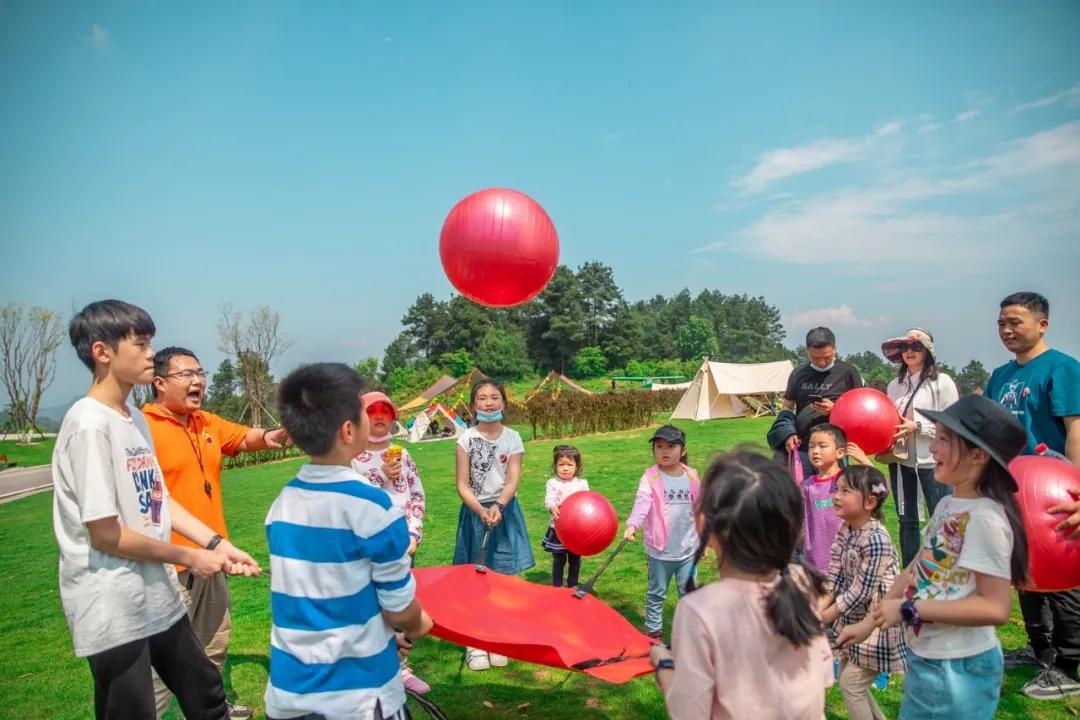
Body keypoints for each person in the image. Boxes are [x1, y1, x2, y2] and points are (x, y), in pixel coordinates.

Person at [53, 300, 260, 720]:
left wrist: (218, 544)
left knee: (206, 693)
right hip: (113, 603)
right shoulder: (89, 424)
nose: (152, 354)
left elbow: (159, 498)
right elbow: (105, 534)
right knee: (133, 710)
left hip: (155, 593)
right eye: (141, 343)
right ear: (102, 352)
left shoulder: (134, 418)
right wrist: (190, 556)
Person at [840, 395, 1030, 719]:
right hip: (929, 657)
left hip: (957, 667)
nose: (932, 449)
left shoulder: (985, 519)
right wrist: (867, 625)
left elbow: (995, 608)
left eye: (943, 440)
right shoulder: (947, 507)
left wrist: (907, 609)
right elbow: (916, 568)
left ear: (978, 455)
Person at [264, 363, 432, 720]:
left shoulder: (281, 505)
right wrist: (417, 625)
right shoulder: (373, 507)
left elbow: (328, 594)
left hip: (290, 693)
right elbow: (400, 608)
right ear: (348, 430)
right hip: (359, 696)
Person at [144, 346, 289, 719]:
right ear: (159, 383)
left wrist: (282, 432)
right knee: (159, 664)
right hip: (168, 565)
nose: (198, 381)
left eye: (200, 372)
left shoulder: (205, 422)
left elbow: (246, 437)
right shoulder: (141, 428)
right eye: (186, 374)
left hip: (215, 556)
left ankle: (211, 708)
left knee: (213, 642)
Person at [647, 451, 833, 719]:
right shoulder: (803, 582)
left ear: (703, 524)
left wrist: (663, 662)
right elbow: (823, 675)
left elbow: (688, 712)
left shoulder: (699, 610)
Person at [985, 291, 1080, 699]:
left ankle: (1068, 665)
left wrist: (1077, 487)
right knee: (1024, 571)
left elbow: (1075, 430)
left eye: (1016, 322)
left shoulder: (1062, 368)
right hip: (1013, 488)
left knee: (1063, 579)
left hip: (1054, 490)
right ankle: (1039, 649)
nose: (1007, 329)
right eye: (1002, 322)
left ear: (1042, 324)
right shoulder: (1000, 376)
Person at [453, 378, 534, 671]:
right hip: (475, 513)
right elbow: (461, 485)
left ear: (503, 402)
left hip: (505, 511)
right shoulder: (465, 439)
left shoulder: (513, 437)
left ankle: (497, 638)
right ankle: (474, 642)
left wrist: (499, 506)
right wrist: (480, 509)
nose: (489, 403)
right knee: (476, 579)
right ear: (474, 405)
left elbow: (512, 479)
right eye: (482, 398)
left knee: (502, 578)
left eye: (494, 397)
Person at [351, 391, 429, 694]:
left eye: (385, 411)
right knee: (370, 609)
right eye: (372, 412)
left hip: (403, 545)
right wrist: (380, 476)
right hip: (369, 548)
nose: (379, 417)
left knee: (399, 607)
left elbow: (417, 496)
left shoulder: (403, 454)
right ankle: (372, 669)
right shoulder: (352, 459)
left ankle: (400, 670)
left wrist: (414, 535)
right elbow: (352, 500)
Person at [820, 466, 905, 720]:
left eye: (845, 490)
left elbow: (861, 591)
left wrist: (826, 615)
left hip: (878, 622)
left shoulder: (877, 539)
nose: (836, 496)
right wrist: (818, 605)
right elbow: (833, 574)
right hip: (854, 619)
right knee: (850, 676)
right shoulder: (845, 529)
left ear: (870, 502)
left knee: (851, 684)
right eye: (837, 489)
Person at [879, 328, 960, 566]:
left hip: (934, 462)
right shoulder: (895, 385)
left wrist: (920, 427)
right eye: (905, 347)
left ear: (927, 351)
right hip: (902, 460)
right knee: (907, 520)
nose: (910, 352)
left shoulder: (941, 382)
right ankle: (910, 574)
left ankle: (945, 572)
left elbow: (954, 426)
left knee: (942, 517)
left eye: (916, 347)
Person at [624, 424, 700, 640]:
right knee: (657, 593)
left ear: (683, 451)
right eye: (659, 446)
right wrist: (632, 525)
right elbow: (642, 503)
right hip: (660, 551)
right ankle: (653, 632)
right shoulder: (650, 477)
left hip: (689, 549)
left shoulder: (692, 476)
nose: (664, 451)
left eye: (670, 446)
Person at [769, 327, 863, 469]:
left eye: (827, 357)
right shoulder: (799, 372)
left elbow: (860, 409)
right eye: (815, 358)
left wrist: (835, 409)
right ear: (807, 351)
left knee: (834, 489)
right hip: (803, 448)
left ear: (835, 349)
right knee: (802, 489)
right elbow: (787, 406)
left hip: (834, 450)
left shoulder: (848, 372)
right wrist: (788, 432)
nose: (821, 362)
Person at [801, 424, 847, 574]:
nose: (815, 451)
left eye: (822, 446)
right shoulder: (806, 487)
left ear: (840, 452)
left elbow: (880, 490)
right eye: (811, 446)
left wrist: (862, 458)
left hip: (847, 563)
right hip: (816, 565)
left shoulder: (848, 480)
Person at [542, 445, 590, 588]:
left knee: (575, 560)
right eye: (561, 464)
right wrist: (552, 507)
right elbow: (549, 499)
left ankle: (572, 585)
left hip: (576, 531)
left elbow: (587, 502)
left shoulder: (582, 484)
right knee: (559, 559)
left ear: (577, 466)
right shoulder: (552, 483)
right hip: (558, 529)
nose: (565, 468)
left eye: (570, 464)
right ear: (555, 465)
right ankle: (557, 586)